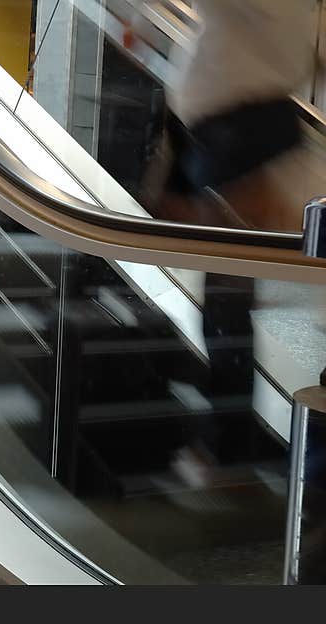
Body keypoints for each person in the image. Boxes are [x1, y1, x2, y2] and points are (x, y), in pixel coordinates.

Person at [126, 0, 320, 485]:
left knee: (226, 292)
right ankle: (225, 437)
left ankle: (228, 444)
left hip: (239, 129)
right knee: (220, 284)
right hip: (220, 128)